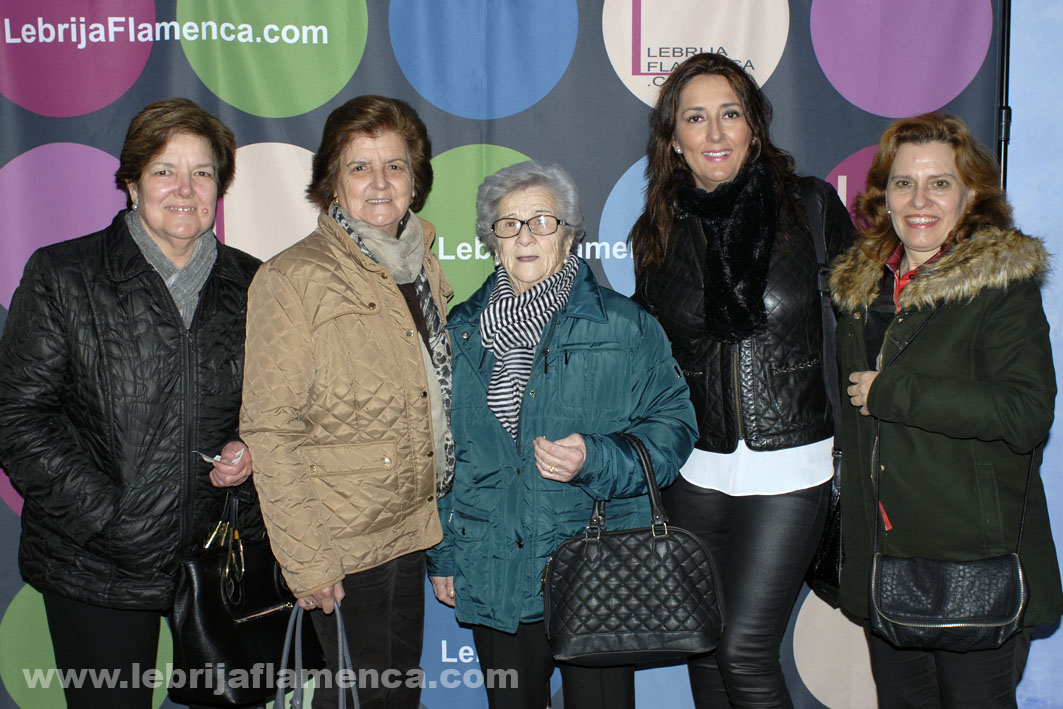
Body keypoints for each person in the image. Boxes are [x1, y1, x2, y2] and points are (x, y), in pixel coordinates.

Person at [0, 98, 260, 709]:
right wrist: (116, 522)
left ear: (219, 187)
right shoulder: (64, 275)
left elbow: (279, 411)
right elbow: (18, 419)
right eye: (165, 170)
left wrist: (252, 450)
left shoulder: (257, 284)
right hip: (96, 564)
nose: (184, 189)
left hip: (220, 557)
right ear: (132, 182)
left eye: (202, 172)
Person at [425, 160, 697, 709]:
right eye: (509, 224)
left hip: (596, 565)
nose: (525, 236)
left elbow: (675, 427)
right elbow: (440, 456)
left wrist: (596, 459)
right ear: (492, 241)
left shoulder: (625, 326)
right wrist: (445, 555)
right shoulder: (457, 333)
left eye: (542, 221)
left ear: (569, 236)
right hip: (494, 566)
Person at [629, 53, 855, 707]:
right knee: (704, 647)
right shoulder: (657, 230)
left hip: (792, 462)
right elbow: (651, 354)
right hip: (695, 469)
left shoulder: (809, 207)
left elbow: (863, 316)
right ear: (673, 138)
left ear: (754, 126)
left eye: (730, 113)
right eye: (695, 118)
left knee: (744, 650)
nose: (715, 133)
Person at [830, 112, 1063, 707]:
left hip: (974, 561)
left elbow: (1025, 413)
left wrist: (895, 392)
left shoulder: (999, 286)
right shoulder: (862, 289)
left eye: (940, 183)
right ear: (884, 195)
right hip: (885, 553)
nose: (919, 200)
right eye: (904, 183)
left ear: (972, 193)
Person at [240, 95, 451, 709]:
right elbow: (270, 429)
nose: (380, 183)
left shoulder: (420, 268)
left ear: (415, 179)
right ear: (332, 180)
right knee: (359, 698)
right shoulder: (292, 279)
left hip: (408, 531)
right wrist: (308, 562)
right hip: (341, 543)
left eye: (395, 165)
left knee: (395, 695)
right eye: (360, 167)